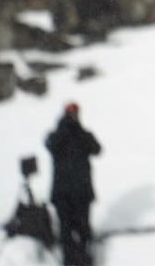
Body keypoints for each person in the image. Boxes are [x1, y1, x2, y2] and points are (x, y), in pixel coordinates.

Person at [44, 102, 102, 266]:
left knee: (76, 230)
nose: (74, 116)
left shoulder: (77, 134)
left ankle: (79, 260)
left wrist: (75, 130)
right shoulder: (62, 135)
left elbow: (97, 149)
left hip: (74, 192)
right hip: (71, 192)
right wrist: (70, 129)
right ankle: (76, 261)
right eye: (72, 113)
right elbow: (50, 144)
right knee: (70, 230)